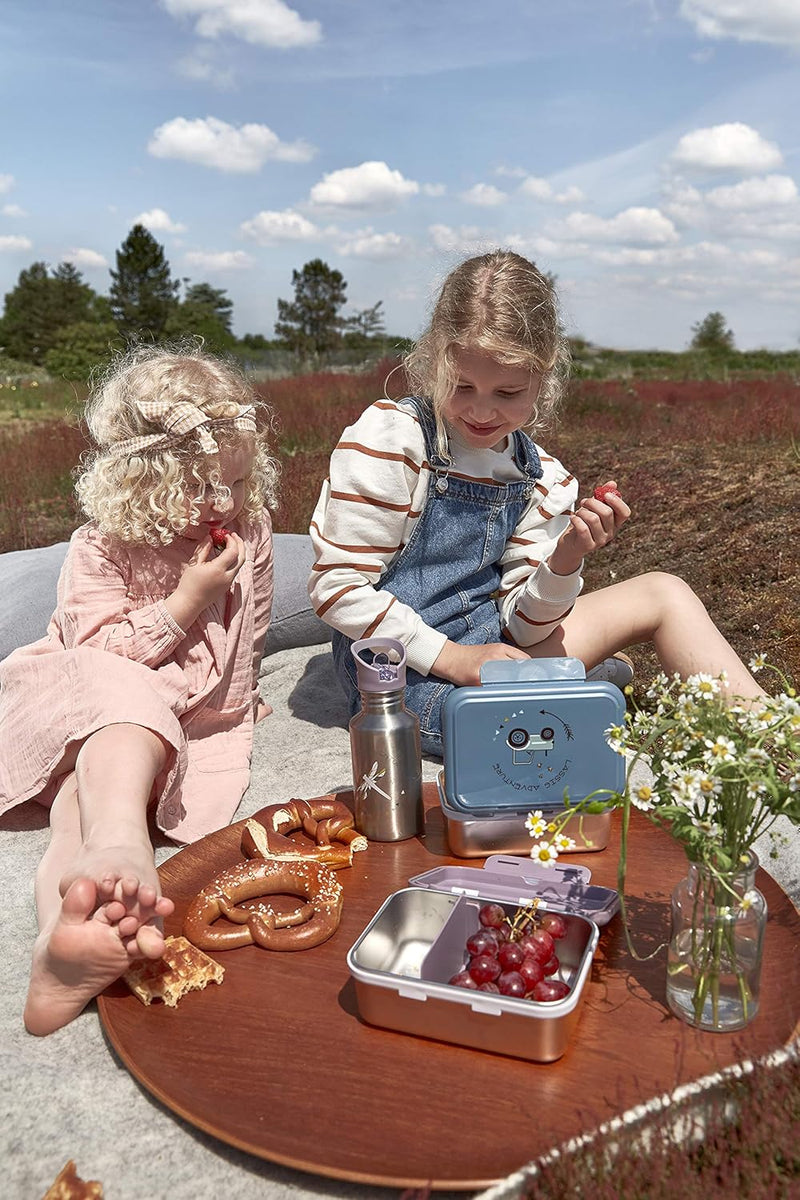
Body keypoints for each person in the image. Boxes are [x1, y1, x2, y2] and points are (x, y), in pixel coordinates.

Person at [309, 250, 764, 753]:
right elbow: (338, 587)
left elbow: (523, 628)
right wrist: (455, 658)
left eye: (507, 393)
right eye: (462, 386)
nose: (481, 410)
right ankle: (583, 679)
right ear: (436, 360)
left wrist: (567, 556)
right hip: (402, 675)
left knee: (664, 592)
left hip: (496, 653)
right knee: (543, 728)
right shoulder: (394, 438)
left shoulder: (542, 478)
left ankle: (772, 749)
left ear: (542, 380)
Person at [0, 344, 278, 1036]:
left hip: (178, 730)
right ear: (138, 481)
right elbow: (93, 657)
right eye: (200, 486)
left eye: (238, 483)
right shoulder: (102, 547)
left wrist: (240, 701)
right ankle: (127, 848)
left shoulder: (252, 531)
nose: (224, 503)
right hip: (83, 701)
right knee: (126, 715)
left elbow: (255, 626)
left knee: (74, 812)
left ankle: (60, 942)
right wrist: (185, 601)